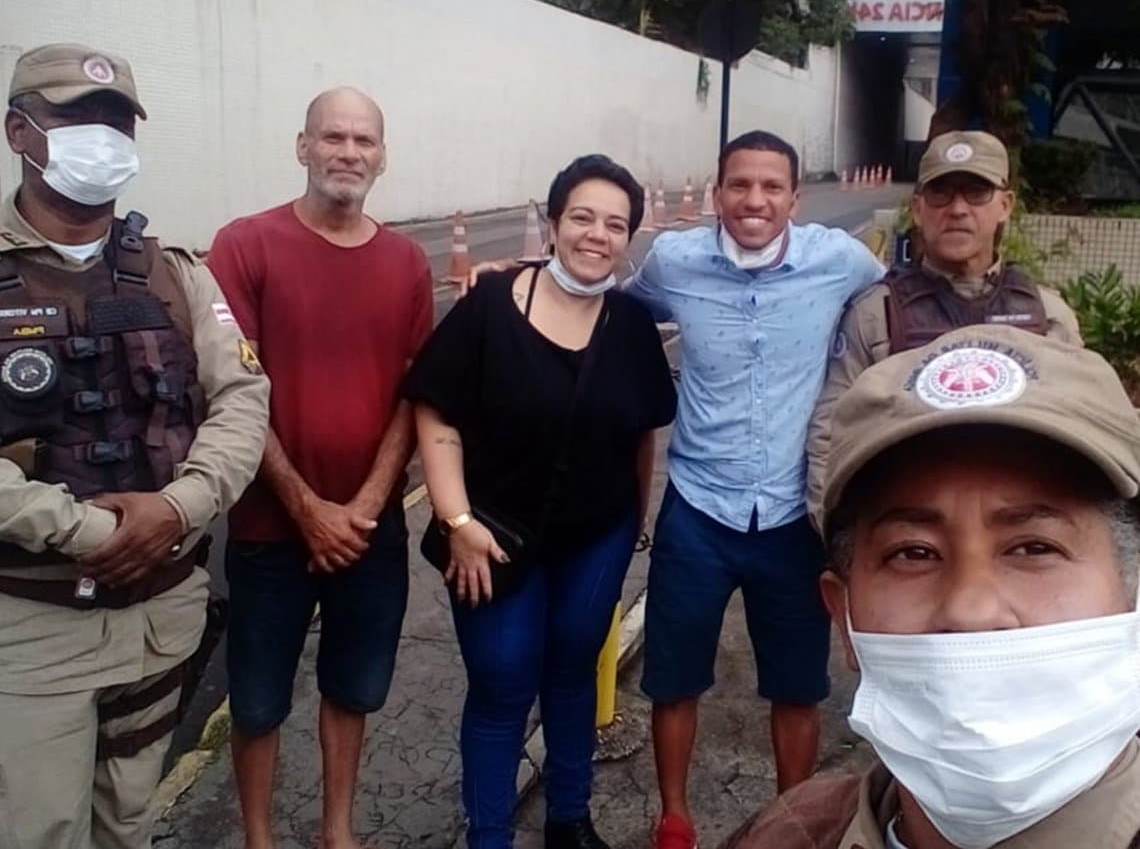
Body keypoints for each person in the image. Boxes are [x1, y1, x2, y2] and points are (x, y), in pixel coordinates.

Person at [0, 42, 269, 848]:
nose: (103, 138)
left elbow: (243, 397)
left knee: (131, 824)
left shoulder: (176, 273)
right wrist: (91, 533)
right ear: (20, 131)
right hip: (33, 624)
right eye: (78, 119)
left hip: (161, 615)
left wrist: (178, 507)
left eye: (117, 122)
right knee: (38, 833)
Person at [729, 323, 1140, 849]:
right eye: (913, 553)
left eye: (1035, 547)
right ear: (845, 618)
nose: (971, 610)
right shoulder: (788, 832)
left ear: (1132, 595)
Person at [618, 131, 884, 848]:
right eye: (740, 185)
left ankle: (790, 821)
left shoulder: (841, 261)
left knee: (797, 686)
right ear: (717, 193)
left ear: (796, 198)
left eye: (772, 187)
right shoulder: (675, 261)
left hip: (795, 514)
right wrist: (516, 281)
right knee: (673, 679)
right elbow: (616, 307)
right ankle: (674, 819)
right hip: (698, 506)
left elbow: (887, 316)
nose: (755, 200)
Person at [404, 154, 677, 849]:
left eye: (615, 224)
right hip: (492, 537)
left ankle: (569, 818)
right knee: (501, 681)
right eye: (582, 217)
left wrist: (633, 523)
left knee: (573, 669)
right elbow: (436, 416)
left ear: (629, 238)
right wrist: (456, 521)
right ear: (554, 222)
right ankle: (489, 834)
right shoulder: (491, 306)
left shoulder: (633, 326)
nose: (597, 234)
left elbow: (642, 435)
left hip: (597, 537)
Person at [207, 87, 433, 849]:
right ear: (301, 147)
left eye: (363, 140)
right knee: (259, 698)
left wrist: (365, 506)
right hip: (271, 527)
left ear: (382, 156)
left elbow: (413, 393)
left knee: (354, 686)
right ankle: (259, 837)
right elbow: (232, 391)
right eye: (332, 137)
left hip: (369, 533)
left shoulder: (405, 262)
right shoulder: (244, 246)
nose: (348, 153)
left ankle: (338, 831)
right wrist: (307, 508)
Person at [805, 130, 1082, 525]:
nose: (957, 209)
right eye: (941, 193)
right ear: (917, 208)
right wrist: (835, 534)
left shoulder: (1047, 315)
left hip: (1017, 538)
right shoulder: (876, 314)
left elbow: (1080, 435)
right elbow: (830, 436)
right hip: (911, 537)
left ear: (1005, 205)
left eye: (976, 192)